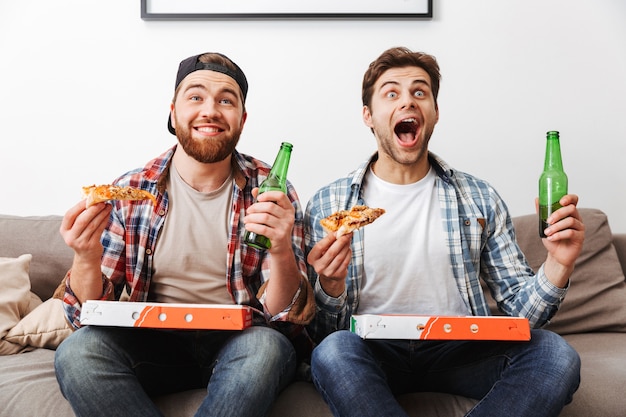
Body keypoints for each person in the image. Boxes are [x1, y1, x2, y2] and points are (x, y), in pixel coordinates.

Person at [304, 46, 585, 417]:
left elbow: (522, 314)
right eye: (392, 93)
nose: (408, 101)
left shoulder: (479, 197)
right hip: (371, 350)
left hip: (459, 351)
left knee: (555, 354)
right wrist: (331, 286)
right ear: (368, 116)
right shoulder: (329, 205)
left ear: (435, 113)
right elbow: (324, 333)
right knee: (333, 351)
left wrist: (558, 264)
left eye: (420, 92)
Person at [55, 52, 314, 417]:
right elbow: (86, 315)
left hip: (241, 344)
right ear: (173, 112)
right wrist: (85, 257)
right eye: (196, 97)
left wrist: (282, 249)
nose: (210, 110)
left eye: (226, 100)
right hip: (155, 345)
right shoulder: (132, 189)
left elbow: (283, 317)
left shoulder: (271, 191)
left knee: (266, 349)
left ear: (242, 119)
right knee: (78, 353)